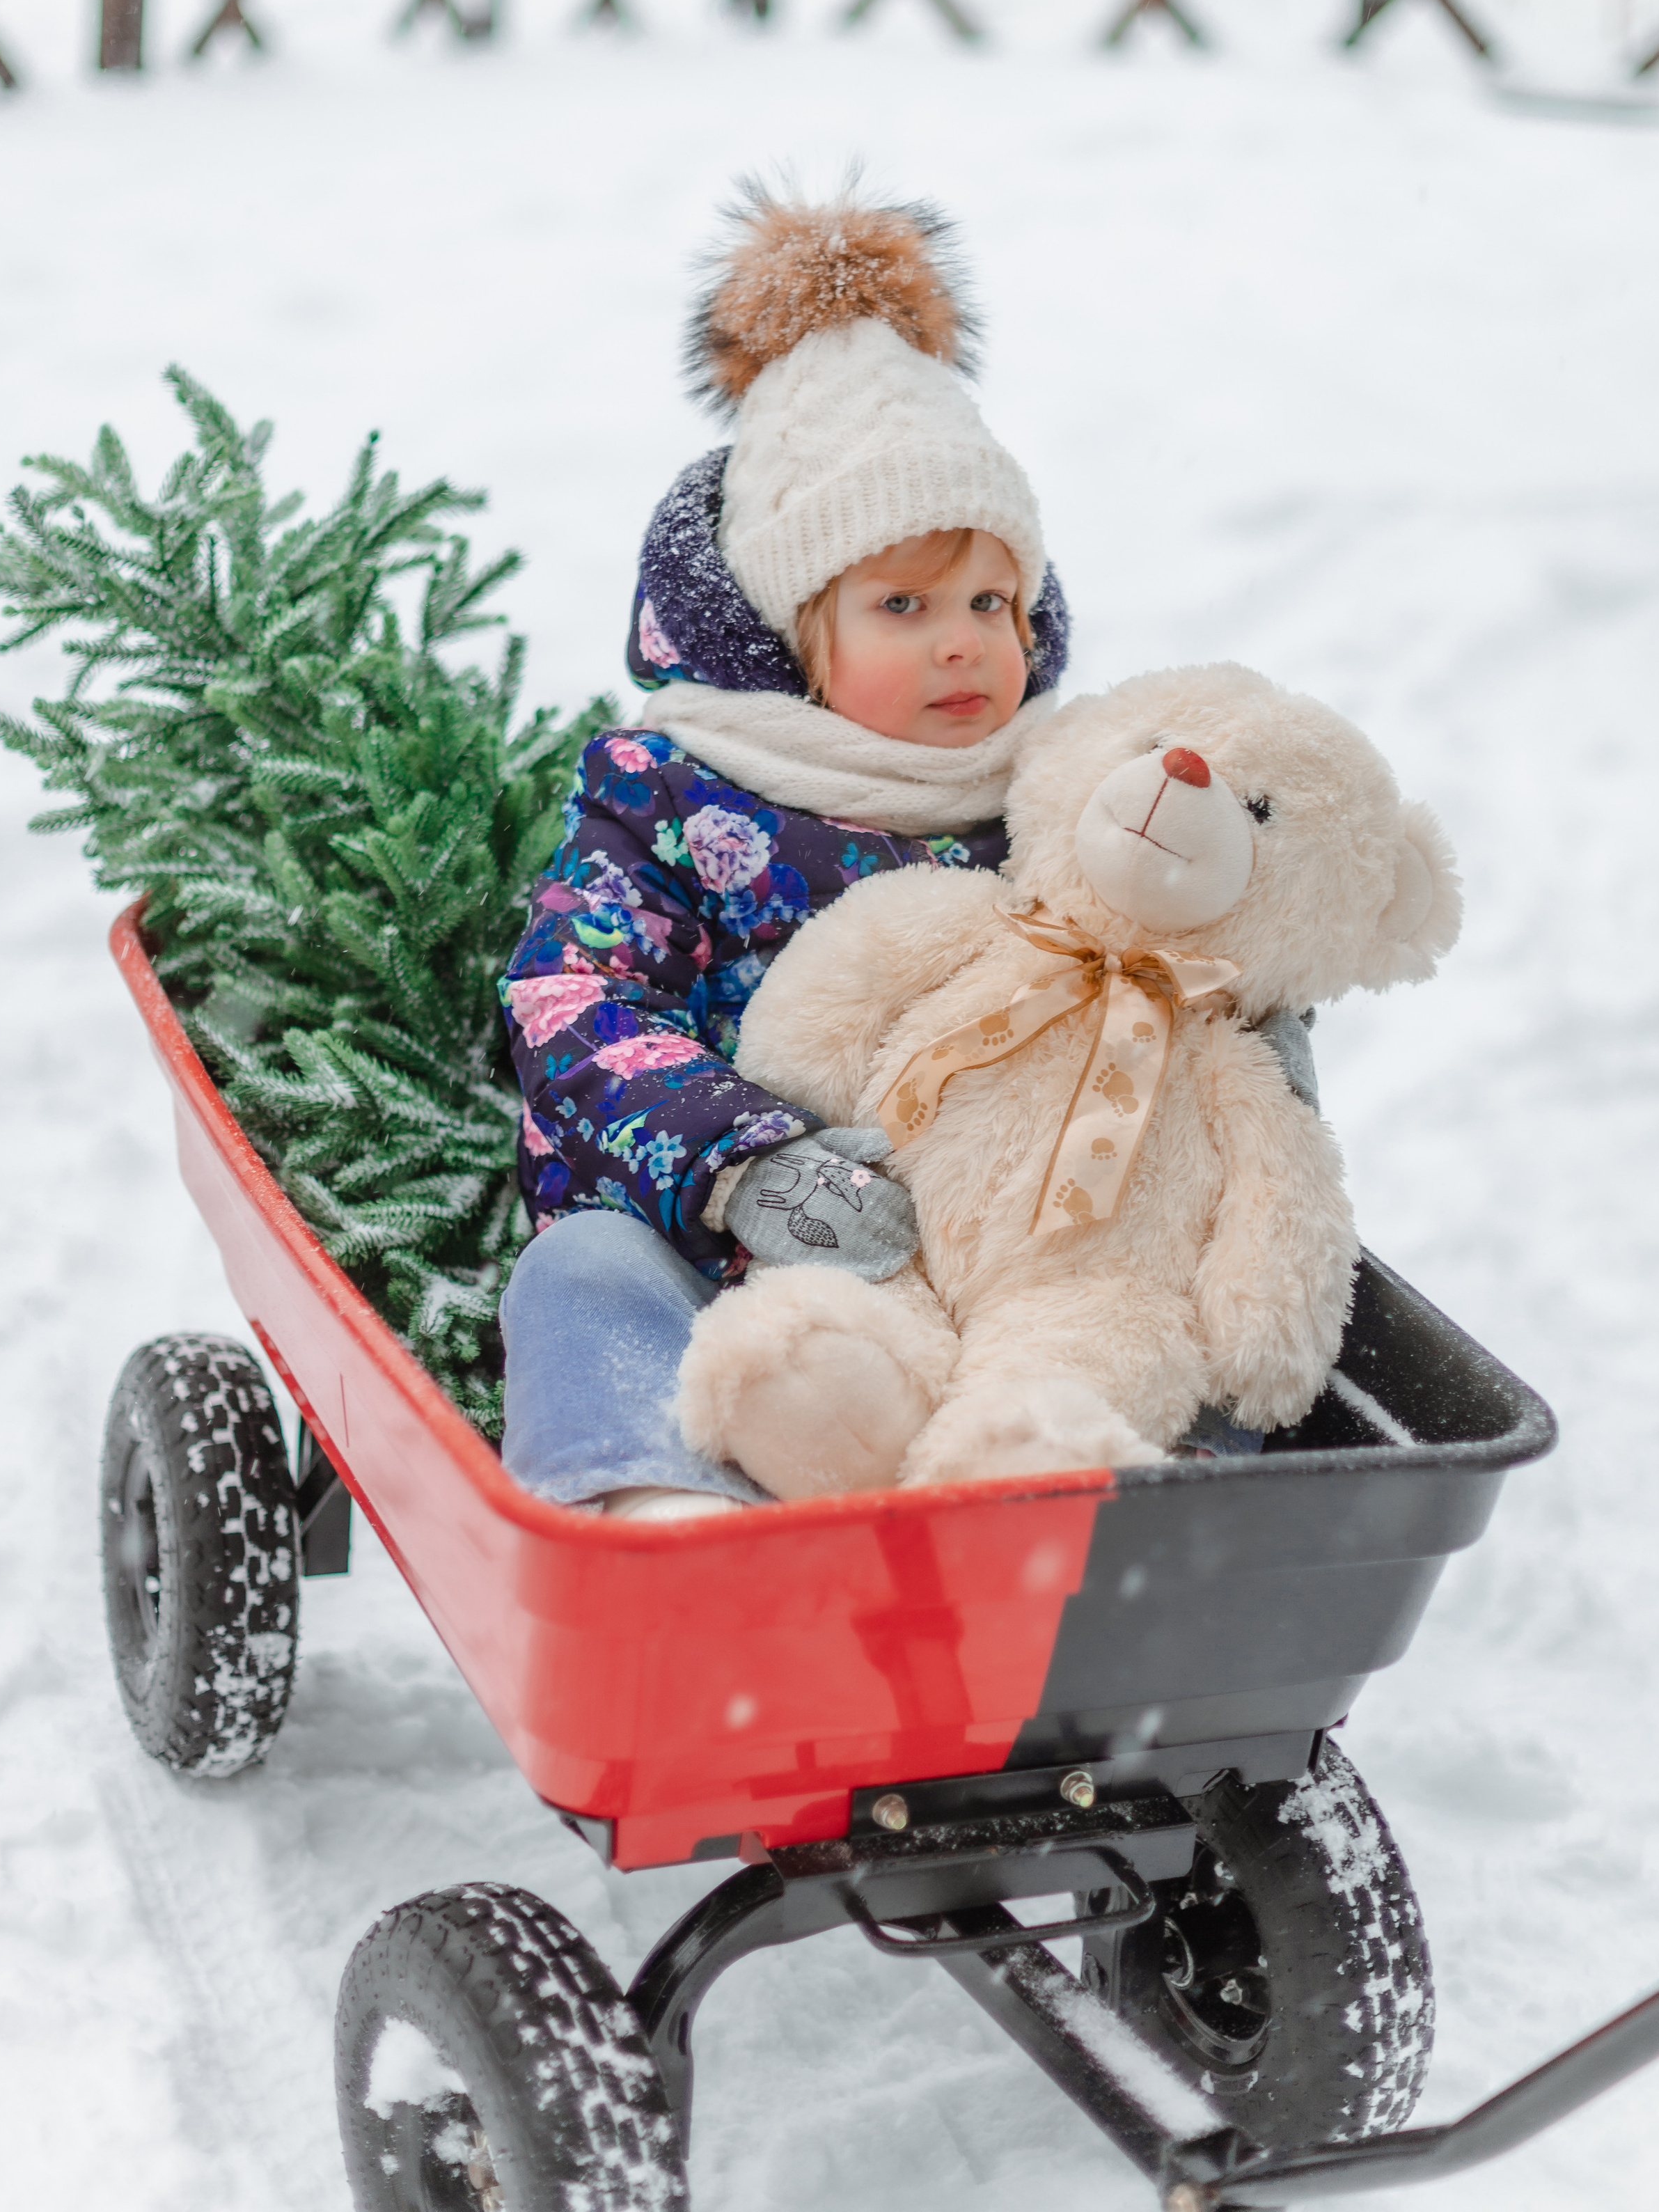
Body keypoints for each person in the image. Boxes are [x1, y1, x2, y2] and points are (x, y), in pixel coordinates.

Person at [497, 182, 1308, 1518]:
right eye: (902, 603)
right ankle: (663, 1501)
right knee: (580, 1271)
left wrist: (1251, 1005)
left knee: (1162, 1294)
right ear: (790, 634)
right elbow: (570, 1001)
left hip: (1002, 1264)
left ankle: (1125, 1490)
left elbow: (1168, 945)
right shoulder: (675, 797)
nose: (962, 640)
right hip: (742, 1258)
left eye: (991, 598)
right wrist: (747, 1161)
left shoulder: (1057, 794)